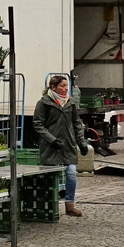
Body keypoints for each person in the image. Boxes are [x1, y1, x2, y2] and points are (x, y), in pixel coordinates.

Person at [33, 73, 89, 217]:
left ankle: (70, 204)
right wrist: (52, 139)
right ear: (53, 87)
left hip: (67, 145)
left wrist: (81, 143)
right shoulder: (44, 103)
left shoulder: (70, 102)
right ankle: (47, 206)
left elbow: (77, 124)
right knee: (50, 177)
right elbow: (38, 124)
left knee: (71, 174)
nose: (65, 89)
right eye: (62, 86)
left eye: (66, 86)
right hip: (51, 147)